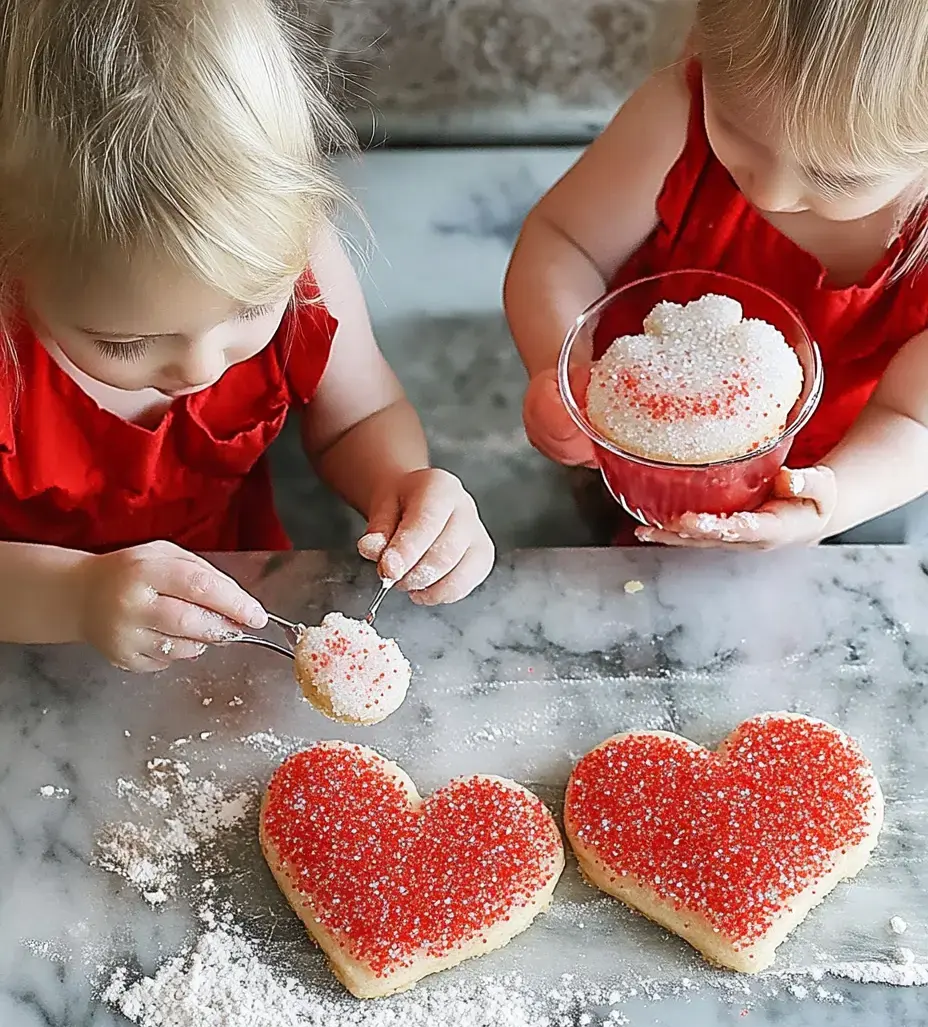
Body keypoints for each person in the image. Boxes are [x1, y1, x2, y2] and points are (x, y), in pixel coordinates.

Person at [0, 0, 493, 672]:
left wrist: (400, 482)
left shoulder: (296, 253)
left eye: (252, 307)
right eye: (123, 342)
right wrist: (76, 598)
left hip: (241, 598)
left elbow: (360, 417)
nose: (201, 367)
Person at [505, 0, 928, 550]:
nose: (770, 193)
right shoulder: (675, 115)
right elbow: (564, 243)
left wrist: (830, 505)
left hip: (840, 461)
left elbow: (913, 421)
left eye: (836, 177)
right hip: (640, 417)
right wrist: (561, 365)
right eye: (737, 130)